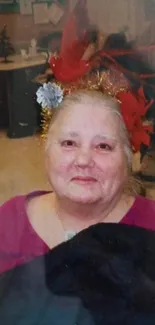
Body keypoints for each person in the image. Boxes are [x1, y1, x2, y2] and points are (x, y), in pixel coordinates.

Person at [1, 91, 155, 324]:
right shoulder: (9, 222)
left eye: (103, 146)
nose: (83, 160)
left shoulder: (150, 226)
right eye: (69, 143)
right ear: (46, 153)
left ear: (127, 159)